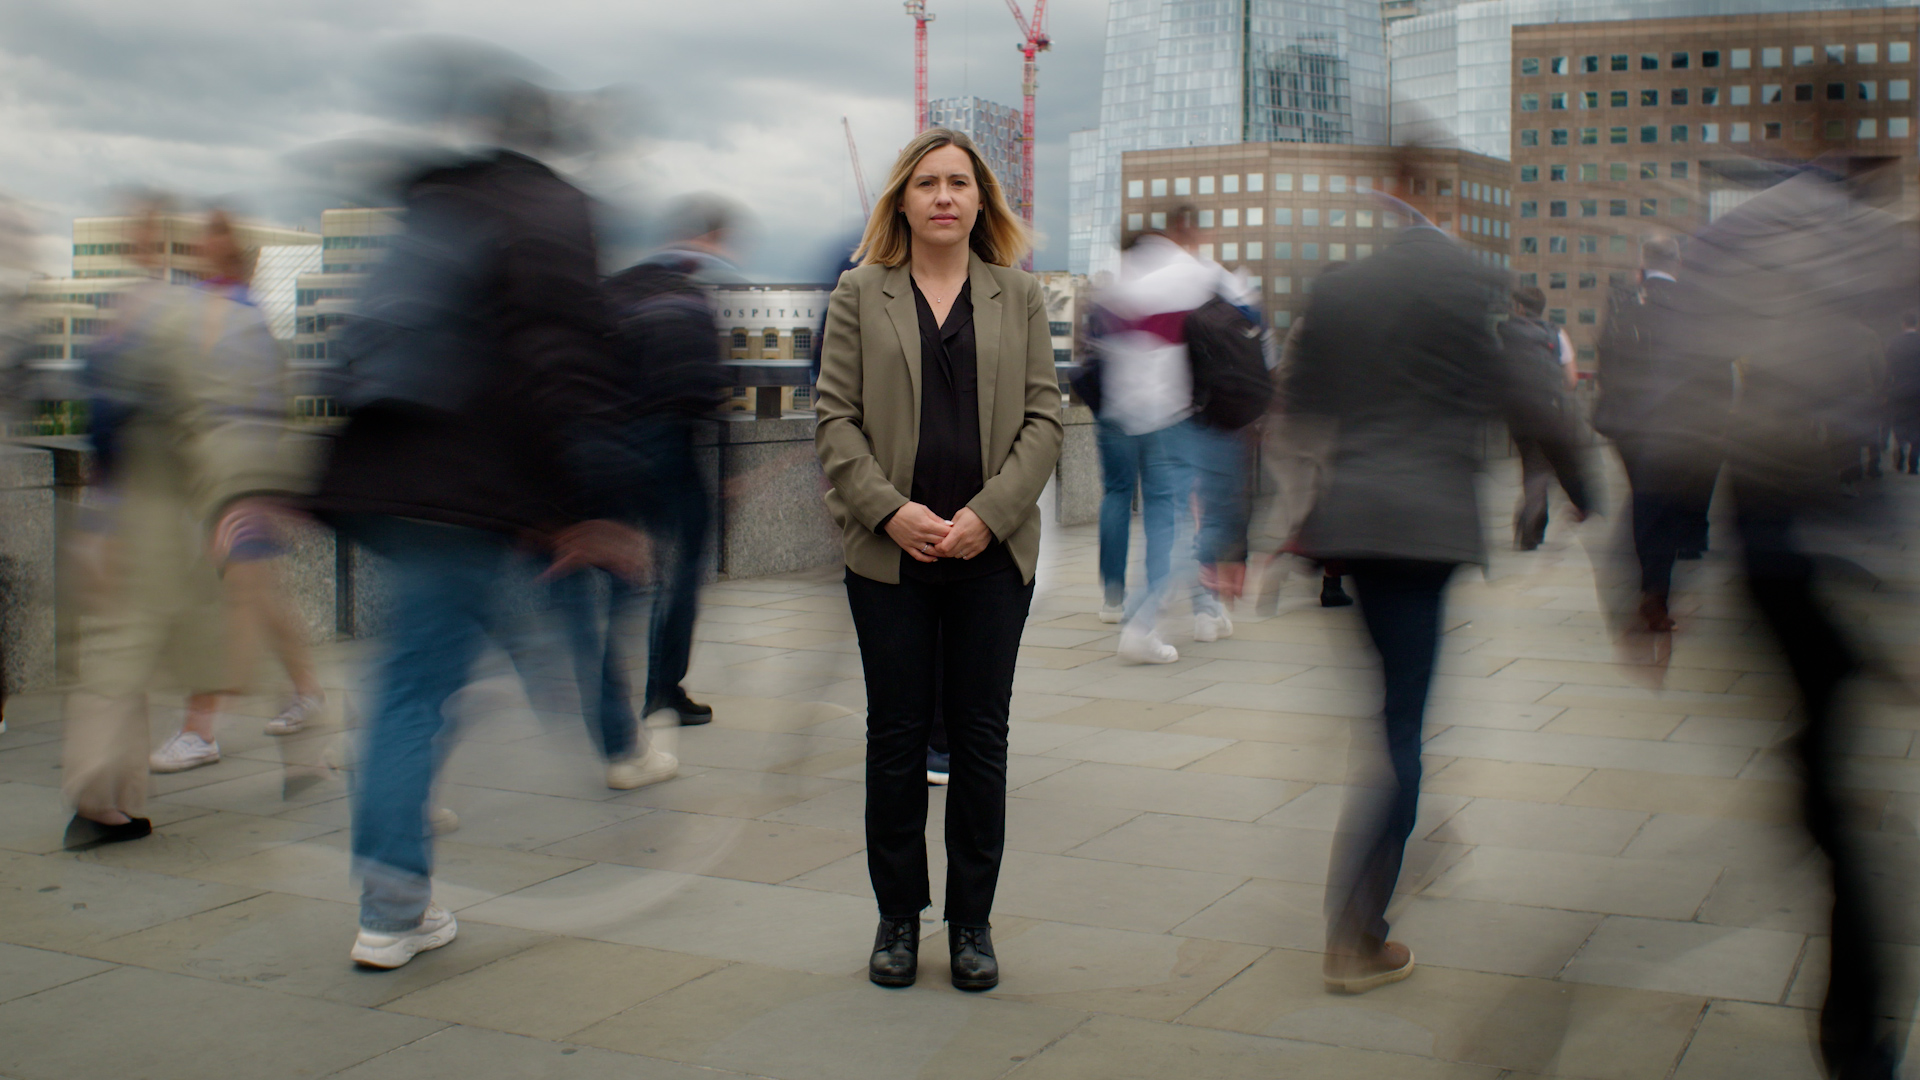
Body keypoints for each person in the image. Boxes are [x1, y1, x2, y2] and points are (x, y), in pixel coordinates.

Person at [311, 74, 661, 971]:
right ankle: (393, 904)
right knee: (442, 671)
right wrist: (579, 508)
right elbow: (562, 363)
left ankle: (401, 844)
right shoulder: (554, 211)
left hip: (388, 475)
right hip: (479, 489)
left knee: (411, 682)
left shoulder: (434, 201)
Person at [1285, 176, 1594, 994]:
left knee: (1387, 711)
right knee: (1401, 729)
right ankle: (1357, 932)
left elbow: (1303, 403)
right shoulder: (1468, 283)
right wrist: (1585, 491)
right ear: (1443, 208)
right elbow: (1532, 398)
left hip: (1356, 522)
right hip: (1424, 530)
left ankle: (1400, 840)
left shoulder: (1343, 289)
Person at [1682, 165, 1918, 1080]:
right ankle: (1857, 1036)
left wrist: (1647, 575)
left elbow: (1689, 396)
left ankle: (1854, 1031)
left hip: (1778, 536)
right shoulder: (1874, 241)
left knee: (1824, 778)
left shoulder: (1744, 238)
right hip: (1845, 536)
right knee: (1831, 771)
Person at [815, 126, 1061, 992]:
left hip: (990, 561)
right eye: (928, 184)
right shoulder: (860, 293)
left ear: (982, 201)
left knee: (983, 744)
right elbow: (834, 418)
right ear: (903, 201)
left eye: (961, 183)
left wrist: (989, 518)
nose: (945, 197)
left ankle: (971, 923)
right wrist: (892, 512)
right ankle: (895, 917)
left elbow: (1045, 422)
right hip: (893, 560)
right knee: (895, 737)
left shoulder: (1020, 295)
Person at [61, 206, 315, 850]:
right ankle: (128, 783)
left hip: (159, 500)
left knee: (136, 645)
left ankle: (123, 784)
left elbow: (113, 414)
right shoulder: (196, 315)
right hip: (183, 500)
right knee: (170, 634)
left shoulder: (149, 315)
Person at [146, 210, 327, 771]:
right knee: (259, 595)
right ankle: (309, 694)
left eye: (210, 250)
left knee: (227, 600)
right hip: (233, 478)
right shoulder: (230, 314)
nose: (203, 258)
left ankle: (201, 727)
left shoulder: (233, 318)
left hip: (237, 480)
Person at [603, 195, 743, 728]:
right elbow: (703, 382)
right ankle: (663, 686)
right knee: (683, 565)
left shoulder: (617, 288)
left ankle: (612, 702)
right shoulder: (688, 294)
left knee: (622, 572)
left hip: (614, 447)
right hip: (669, 443)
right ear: (703, 239)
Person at [1095, 209, 1245, 664]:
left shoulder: (1121, 278)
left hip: (1121, 412)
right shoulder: (1196, 273)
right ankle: (1156, 618)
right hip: (1174, 415)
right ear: (1190, 233)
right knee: (1179, 517)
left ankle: (1129, 603)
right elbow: (1248, 317)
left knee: (1130, 500)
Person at [1592, 235, 1730, 632]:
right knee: (1666, 505)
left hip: (1632, 426)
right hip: (1681, 426)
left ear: (1642, 265)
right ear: (1679, 264)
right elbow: (1716, 370)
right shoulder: (1697, 310)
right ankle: (1655, 587)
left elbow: (1607, 363)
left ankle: (1649, 583)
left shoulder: (1626, 307)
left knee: (1645, 499)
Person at [1500, 286, 1579, 551]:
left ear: (1519, 307)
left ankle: (1534, 525)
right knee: (1539, 467)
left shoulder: (1504, 332)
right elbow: (1571, 380)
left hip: (1516, 412)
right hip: (1548, 410)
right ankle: (1530, 526)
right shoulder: (1556, 333)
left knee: (1533, 464)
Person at [1887, 311, 1920, 474]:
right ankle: (1913, 463)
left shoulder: (1894, 343)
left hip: (1899, 390)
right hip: (1918, 392)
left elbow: (1888, 367)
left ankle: (1900, 448)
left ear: (1903, 324)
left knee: (1899, 422)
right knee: (1917, 425)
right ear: (1916, 324)